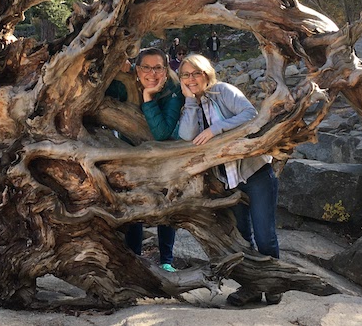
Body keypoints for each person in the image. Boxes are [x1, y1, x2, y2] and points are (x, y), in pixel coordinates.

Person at [177, 54, 282, 306]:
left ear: (207, 73)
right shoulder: (190, 102)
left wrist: (216, 129)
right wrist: (190, 101)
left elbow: (250, 115)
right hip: (226, 181)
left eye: (196, 73)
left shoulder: (223, 92)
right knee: (242, 236)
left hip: (254, 173)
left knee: (265, 235)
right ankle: (252, 288)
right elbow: (186, 135)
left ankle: (274, 284)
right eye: (186, 75)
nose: (192, 79)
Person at [107, 47, 185, 272]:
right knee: (133, 205)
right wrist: (114, 68)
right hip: (130, 152)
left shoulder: (173, 89)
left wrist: (149, 98)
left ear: (166, 67)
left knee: (166, 204)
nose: (152, 73)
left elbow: (161, 132)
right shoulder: (126, 81)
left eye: (158, 67)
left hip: (164, 154)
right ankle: (134, 258)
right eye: (146, 67)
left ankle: (166, 260)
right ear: (136, 68)